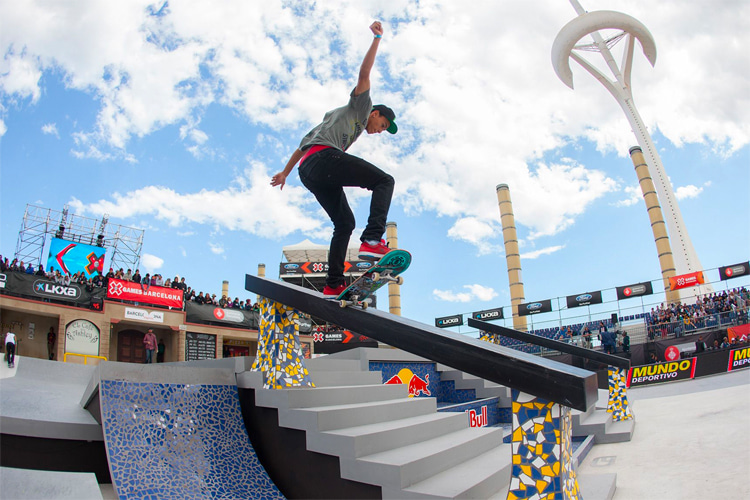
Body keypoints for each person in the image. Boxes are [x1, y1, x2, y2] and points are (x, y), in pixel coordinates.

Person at [271, 21, 399, 296]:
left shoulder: (335, 125)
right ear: (376, 113)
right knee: (384, 181)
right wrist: (377, 39)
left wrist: (285, 173)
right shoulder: (361, 107)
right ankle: (373, 239)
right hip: (324, 160)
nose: (379, 131)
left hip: (310, 171)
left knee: (344, 223)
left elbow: (301, 148)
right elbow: (364, 73)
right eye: (383, 125)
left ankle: (332, 284)